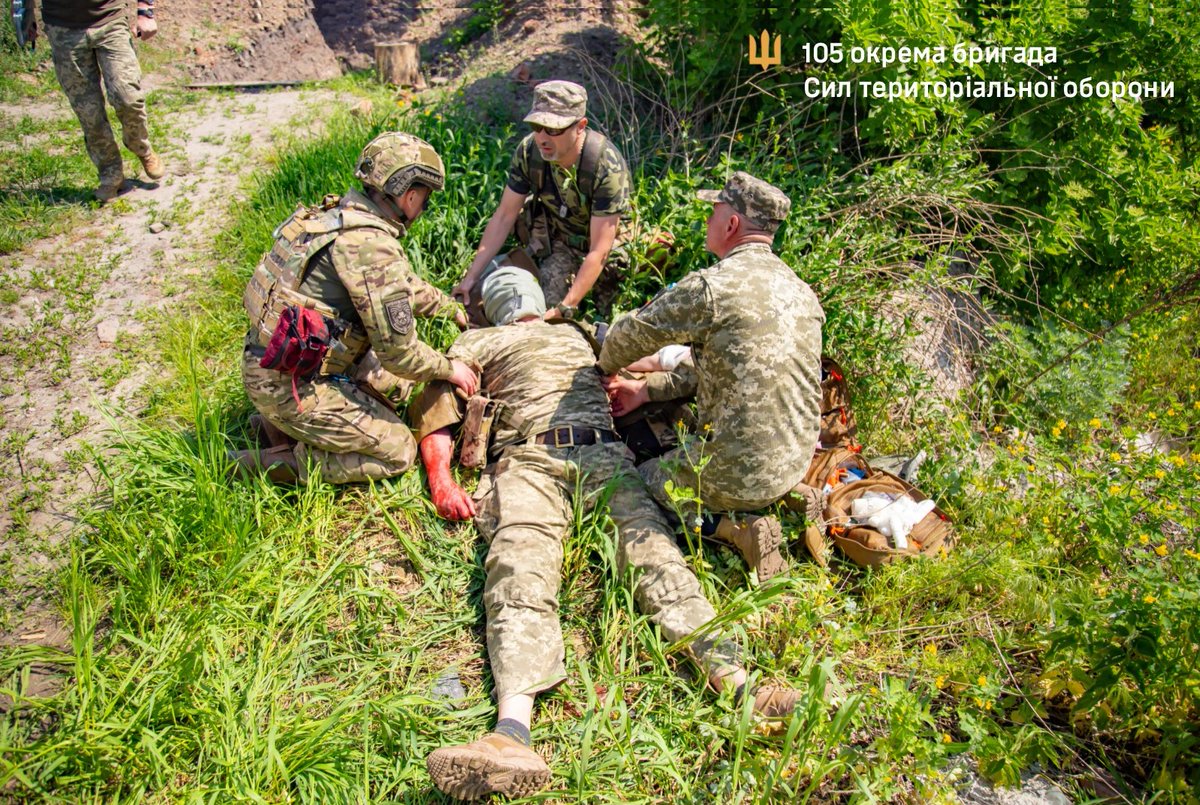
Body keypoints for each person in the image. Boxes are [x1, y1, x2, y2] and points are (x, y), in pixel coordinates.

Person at [414, 266, 799, 800]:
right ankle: (740, 686)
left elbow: (438, 411)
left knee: (520, 568)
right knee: (655, 558)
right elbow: (659, 357)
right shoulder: (577, 334)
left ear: (495, 306)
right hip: (590, 451)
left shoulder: (483, 339)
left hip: (533, 457)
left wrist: (442, 478)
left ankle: (512, 731)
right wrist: (647, 383)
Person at [597, 171, 825, 581]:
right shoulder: (800, 291)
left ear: (732, 224)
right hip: (798, 458)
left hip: (739, 473)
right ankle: (789, 495)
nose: (708, 222)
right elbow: (719, 369)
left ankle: (734, 529)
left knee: (640, 483)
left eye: (713, 212)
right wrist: (645, 390)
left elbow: (630, 336)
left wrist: (604, 368)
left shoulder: (713, 288)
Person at [234, 132, 477, 485]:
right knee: (398, 452)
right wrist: (449, 368)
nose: (423, 208)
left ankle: (275, 426)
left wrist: (446, 307)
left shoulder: (336, 216)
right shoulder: (371, 246)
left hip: (271, 362)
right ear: (409, 196)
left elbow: (400, 285)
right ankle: (271, 463)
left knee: (397, 391)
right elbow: (399, 354)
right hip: (290, 386)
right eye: (424, 198)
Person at [451, 80, 632, 321]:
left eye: (554, 129)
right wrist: (471, 276)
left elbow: (599, 250)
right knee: (536, 310)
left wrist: (566, 307)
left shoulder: (605, 166)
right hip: (562, 242)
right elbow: (505, 215)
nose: (543, 137)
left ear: (580, 126)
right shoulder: (529, 152)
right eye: (537, 126)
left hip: (606, 247)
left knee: (603, 316)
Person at [39, 0, 166, 201]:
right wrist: (24, 12)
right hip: (63, 29)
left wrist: (145, 11)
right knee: (89, 113)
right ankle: (111, 174)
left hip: (110, 20)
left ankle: (141, 147)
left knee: (128, 97)